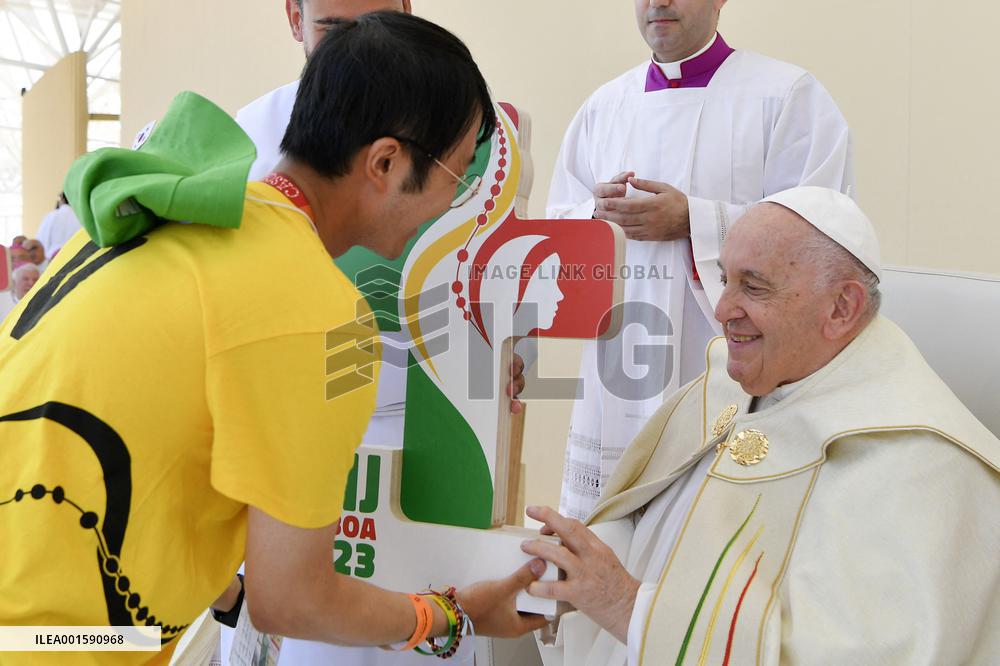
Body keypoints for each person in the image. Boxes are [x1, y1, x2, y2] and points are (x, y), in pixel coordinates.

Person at [0, 13, 548, 665]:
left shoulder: (171, 210)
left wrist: (214, 584)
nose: (449, 209)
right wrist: (452, 615)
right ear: (384, 163)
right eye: (455, 181)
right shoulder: (314, 309)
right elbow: (292, 600)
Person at [517, 187, 1000, 665]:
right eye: (723, 278)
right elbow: (643, 520)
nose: (723, 308)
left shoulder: (919, 460)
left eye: (753, 286)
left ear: (841, 308)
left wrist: (628, 607)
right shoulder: (727, 385)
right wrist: (569, 563)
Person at [551, 0, 855, 520]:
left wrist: (694, 220)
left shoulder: (785, 96)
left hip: (734, 357)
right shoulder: (605, 107)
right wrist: (596, 215)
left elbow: (823, 231)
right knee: (612, 535)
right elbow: (558, 230)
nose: (658, 3)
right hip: (620, 356)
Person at [237, 0, 412, 182]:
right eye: (333, 31)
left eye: (382, 25)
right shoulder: (250, 139)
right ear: (297, 20)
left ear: (406, 11)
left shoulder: (444, 120)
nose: (360, 52)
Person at [36, 192, 83, 261]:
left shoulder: (51, 216)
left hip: (52, 260)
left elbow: (41, 241)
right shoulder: (81, 217)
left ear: (62, 199)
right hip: (76, 258)